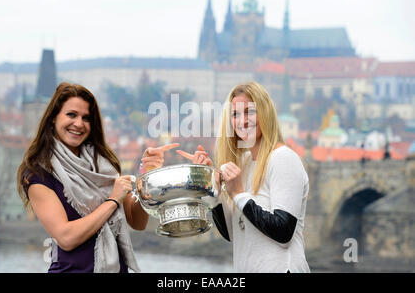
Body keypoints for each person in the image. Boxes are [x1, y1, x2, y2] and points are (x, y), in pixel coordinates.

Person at [17, 82, 151, 273]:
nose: (79, 123)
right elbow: (66, 238)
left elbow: (137, 222)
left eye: (86, 118)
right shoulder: (38, 174)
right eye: (71, 114)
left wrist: (147, 175)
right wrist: (112, 201)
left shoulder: (104, 165)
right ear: (54, 118)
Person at [178, 81, 310, 273]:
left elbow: (283, 232)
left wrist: (239, 194)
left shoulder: (283, 158)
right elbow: (232, 233)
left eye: (249, 111)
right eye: (235, 114)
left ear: (265, 113)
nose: (242, 121)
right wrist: (212, 189)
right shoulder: (245, 163)